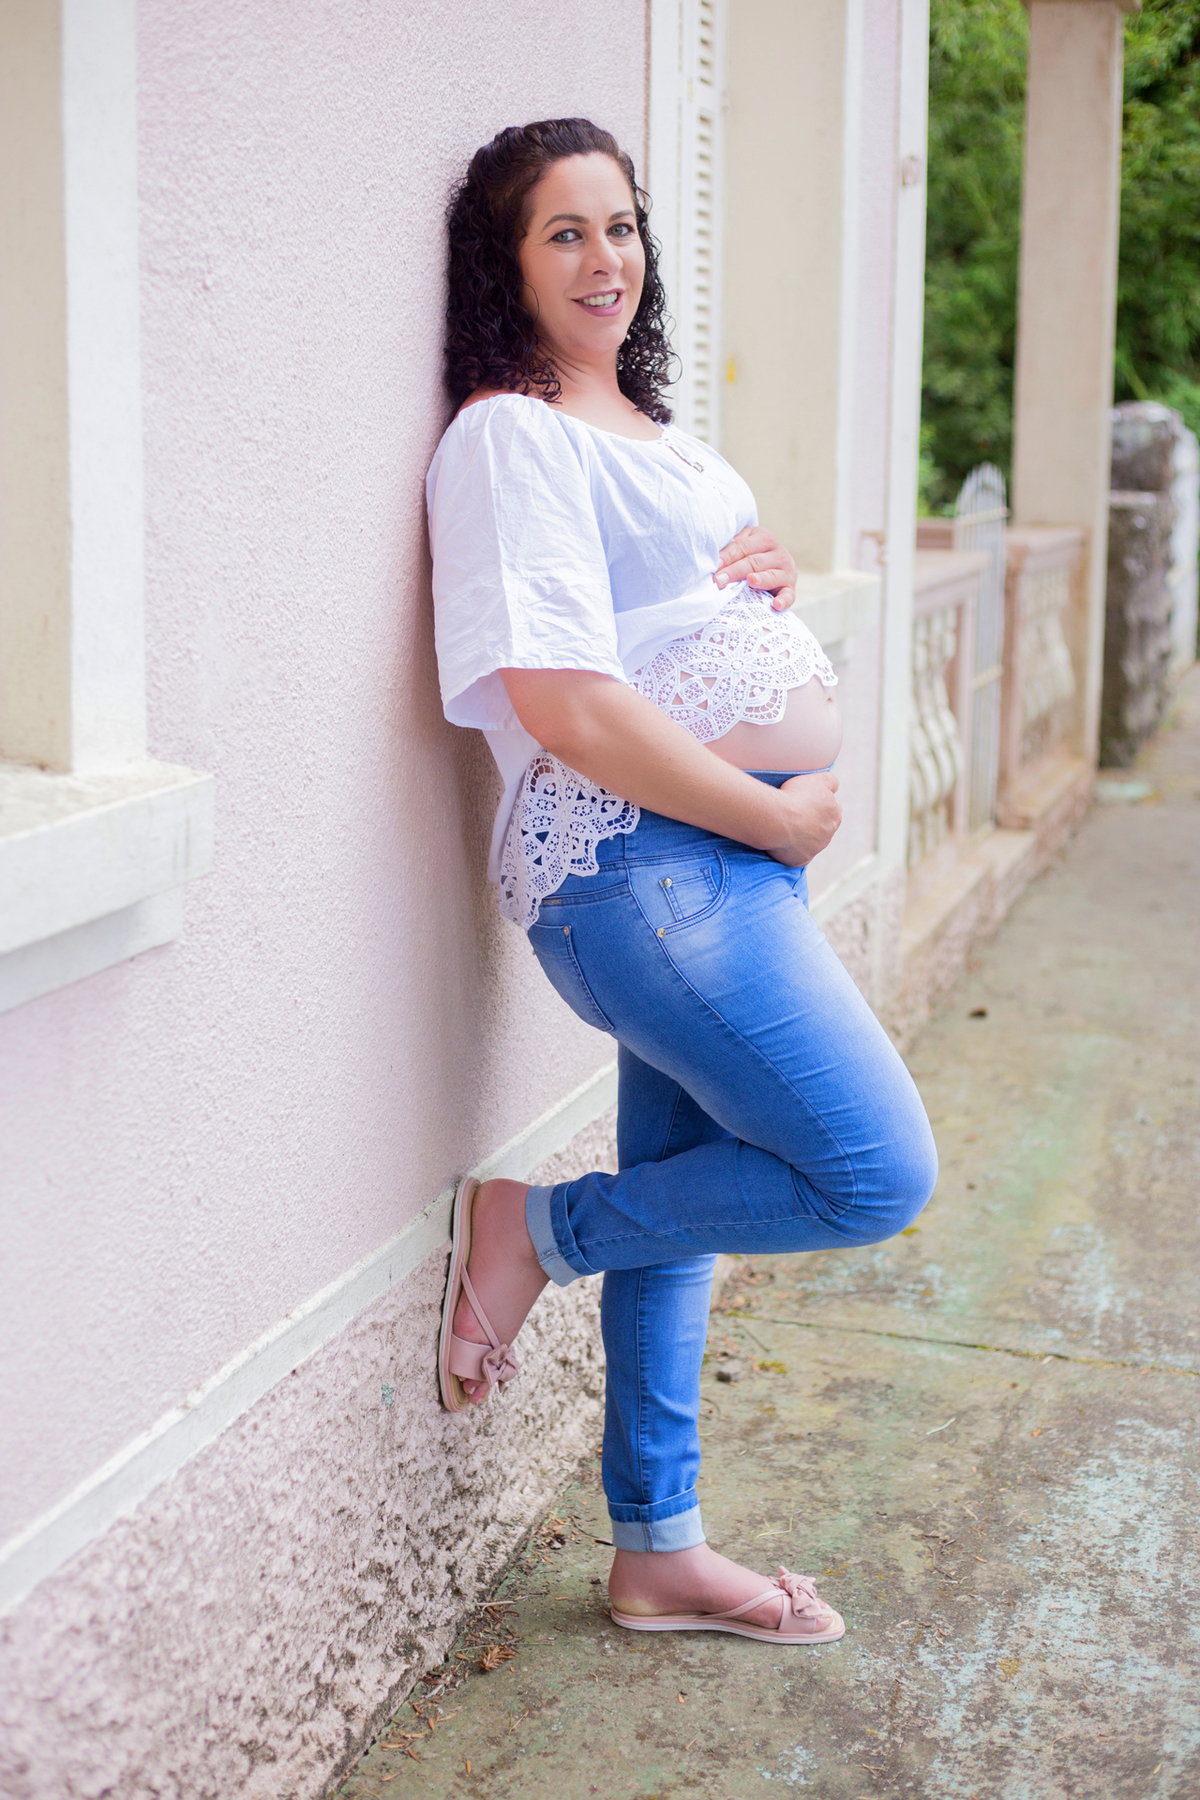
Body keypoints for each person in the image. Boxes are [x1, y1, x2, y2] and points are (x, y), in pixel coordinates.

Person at [425, 118, 937, 1646]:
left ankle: (657, 1546)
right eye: (563, 233)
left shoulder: (673, 444)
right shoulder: (509, 437)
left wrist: (754, 589)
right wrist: (776, 818)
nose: (605, 260)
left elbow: (678, 635)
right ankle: (534, 1231)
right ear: (503, 265)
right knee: (868, 1171)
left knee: (688, 1207)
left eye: (623, 227)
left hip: (716, 868)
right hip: (642, 868)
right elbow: (569, 701)